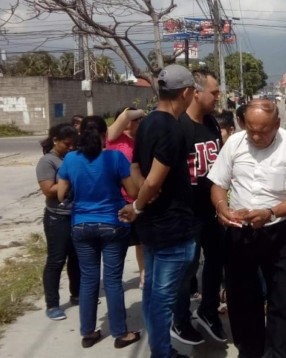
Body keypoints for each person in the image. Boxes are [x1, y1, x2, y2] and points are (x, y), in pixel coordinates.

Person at [208, 98, 286, 357]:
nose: (255, 135)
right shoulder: (235, 143)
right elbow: (218, 184)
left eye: (263, 130)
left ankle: (280, 352)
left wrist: (271, 213)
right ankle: (251, 349)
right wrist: (222, 207)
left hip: (279, 232)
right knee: (242, 298)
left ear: (277, 124)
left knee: (283, 298)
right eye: (250, 129)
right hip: (240, 230)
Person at [118, 64, 198, 358]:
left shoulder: (149, 122)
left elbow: (137, 167)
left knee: (152, 294)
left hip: (152, 227)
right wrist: (139, 204)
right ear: (187, 93)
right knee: (162, 299)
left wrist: (143, 199)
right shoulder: (171, 128)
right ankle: (162, 354)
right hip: (171, 229)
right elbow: (155, 178)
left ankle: (160, 350)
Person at [57, 115, 141, 349]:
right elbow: (133, 191)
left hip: (81, 225)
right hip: (112, 224)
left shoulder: (71, 159)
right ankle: (120, 333)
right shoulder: (115, 157)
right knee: (113, 280)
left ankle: (87, 332)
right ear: (106, 135)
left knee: (88, 279)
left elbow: (61, 194)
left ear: (80, 135)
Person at [172, 68, 227, 345]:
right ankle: (180, 319)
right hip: (187, 214)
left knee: (216, 263)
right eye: (214, 92)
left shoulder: (212, 124)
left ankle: (208, 312)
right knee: (187, 269)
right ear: (195, 92)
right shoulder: (178, 126)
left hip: (213, 209)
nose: (218, 97)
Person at [36, 123, 80, 321]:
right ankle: (52, 304)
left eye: (73, 144)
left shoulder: (72, 156)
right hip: (57, 217)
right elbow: (47, 189)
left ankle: (77, 294)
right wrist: (69, 180)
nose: (70, 147)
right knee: (56, 260)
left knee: (77, 258)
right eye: (66, 144)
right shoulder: (47, 161)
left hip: (76, 215)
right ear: (55, 140)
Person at [106, 106, 146, 289]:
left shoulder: (142, 139)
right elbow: (126, 116)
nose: (136, 123)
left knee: (141, 241)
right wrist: (139, 112)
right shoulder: (114, 139)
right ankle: (114, 279)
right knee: (119, 244)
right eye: (134, 120)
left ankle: (143, 275)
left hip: (138, 197)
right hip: (119, 199)